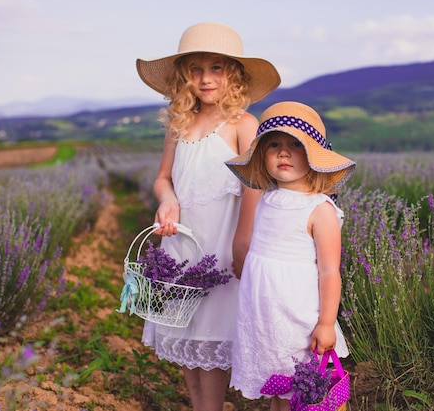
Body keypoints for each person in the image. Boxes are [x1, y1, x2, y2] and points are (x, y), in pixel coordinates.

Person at [135, 22, 280, 411]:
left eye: (216, 67)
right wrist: (167, 201)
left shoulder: (242, 125)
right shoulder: (178, 124)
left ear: (232, 73)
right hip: (181, 240)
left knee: (209, 335)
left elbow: (254, 187)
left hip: (220, 245)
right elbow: (163, 179)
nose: (205, 78)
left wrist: (242, 240)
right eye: (196, 70)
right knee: (184, 335)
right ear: (185, 75)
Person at [225, 101, 356, 411]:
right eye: (274, 144)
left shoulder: (319, 209)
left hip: (298, 318)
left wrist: (326, 323)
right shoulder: (268, 200)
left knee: (304, 387)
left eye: (295, 144)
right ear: (262, 155)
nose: (283, 152)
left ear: (314, 155)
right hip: (264, 316)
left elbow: (328, 271)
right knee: (279, 388)